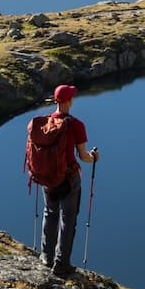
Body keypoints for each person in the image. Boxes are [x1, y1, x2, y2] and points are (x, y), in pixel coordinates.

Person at [34, 83, 99, 277]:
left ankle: (46, 256)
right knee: (68, 219)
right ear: (69, 101)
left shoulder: (45, 123)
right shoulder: (76, 125)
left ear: (56, 100)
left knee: (50, 213)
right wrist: (94, 156)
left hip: (48, 177)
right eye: (72, 97)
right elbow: (83, 157)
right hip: (69, 178)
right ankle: (62, 263)